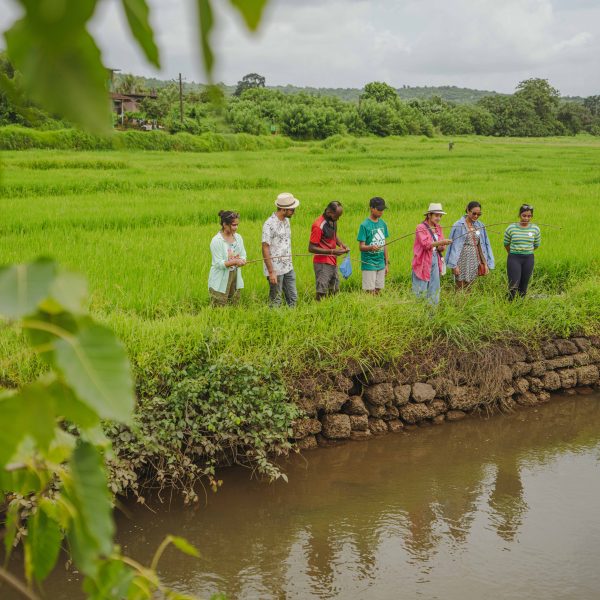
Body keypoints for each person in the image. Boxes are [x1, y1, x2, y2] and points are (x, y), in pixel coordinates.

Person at [262, 192, 300, 307]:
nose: (294, 212)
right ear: (283, 209)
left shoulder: (286, 221)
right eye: (292, 210)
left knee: (293, 297)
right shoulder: (269, 224)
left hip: (288, 266)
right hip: (276, 269)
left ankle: (292, 320)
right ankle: (274, 320)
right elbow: (265, 247)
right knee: (276, 300)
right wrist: (271, 272)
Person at [446, 201, 495, 289]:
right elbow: (454, 246)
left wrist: (485, 263)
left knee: (470, 286)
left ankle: (468, 302)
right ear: (468, 211)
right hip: (461, 259)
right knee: (460, 286)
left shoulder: (480, 225)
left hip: (474, 259)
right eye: (474, 213)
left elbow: (484, 245)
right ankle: (459, 302)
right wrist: (454, 265)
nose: (476, 216)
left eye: (479, 214)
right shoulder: (458, 225)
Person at [412, 203, 452, 305]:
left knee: (434, 287)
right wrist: (441, 242)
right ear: (429, 215)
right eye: (436, 215)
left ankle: (431, 315)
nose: (438, 218)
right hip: (423, 260)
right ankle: (418, 313)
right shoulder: (420, 227)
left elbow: (440, 246)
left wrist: (443, 246)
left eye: (440, 216)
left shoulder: (438, 228)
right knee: (420, 288)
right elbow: (426, 245)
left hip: (435, 258)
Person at [308, 201, 349, 301]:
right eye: (337, 216)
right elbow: (311, 248)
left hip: (333, 261)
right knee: (322, 291)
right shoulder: (318, 225)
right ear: (329, 212)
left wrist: (341, 245)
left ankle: (332, 309)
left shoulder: (333, 220)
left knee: (334, 288)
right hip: (322, 263)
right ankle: (319, 311)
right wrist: (332, 252)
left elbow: (334, 235)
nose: (338, 219)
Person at [208, 210, 246, 306]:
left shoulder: (238, 238)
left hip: (235, 275)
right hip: (220, 277)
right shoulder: (216, 241)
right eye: (233, 225)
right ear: (225, 224)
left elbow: (243, 254)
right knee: (219, 306)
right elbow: (219, 264)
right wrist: (235, 261)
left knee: (234, 303)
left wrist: (242, 260)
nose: (236, 227)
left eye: (237, 225)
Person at [504, 204, 541, 300]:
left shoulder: (535, 229)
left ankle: (521, 304)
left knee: (523, 286)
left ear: (532, 216)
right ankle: (510, 304)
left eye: (529, 216)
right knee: (513, 285)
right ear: (519, 215)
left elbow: (536, 244)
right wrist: (512, 253)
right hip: (514, 258)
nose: (526, 218)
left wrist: (527, 251)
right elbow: (506, 243)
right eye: (524, 215)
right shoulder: (511, 228)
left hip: (528, 258)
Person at [357, 196, 389, 294]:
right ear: (371, 208)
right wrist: (371, 247)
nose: (381, 212)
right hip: (369, 263)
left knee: (378, 290)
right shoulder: (364, 225)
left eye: (383, 210)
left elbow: (385, 244)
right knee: (369, 291)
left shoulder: (383, 223)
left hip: (380, 263)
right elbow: (361, 247)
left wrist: (386, 263)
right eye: (379, 209)